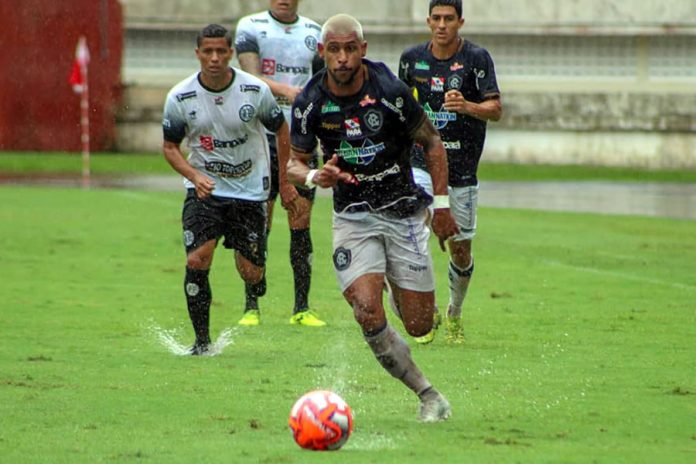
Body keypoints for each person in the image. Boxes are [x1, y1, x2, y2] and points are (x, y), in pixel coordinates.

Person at [287, 14, 459, 422]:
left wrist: (443, 204)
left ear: (363, 50)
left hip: (402, 211)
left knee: (418, 325)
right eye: (334, 50)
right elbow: (293, 164)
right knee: (366, 308)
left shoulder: (390, 91)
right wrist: (316, 174)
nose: (343, 58)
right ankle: (429, 395)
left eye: (350, 49)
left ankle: (400, 290)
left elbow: (432, 140)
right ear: (322, 52)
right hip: (353, 216)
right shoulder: (309, 102)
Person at [162, 24, 296, 355]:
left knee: (251, 273)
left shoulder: (254, 91)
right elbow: (169, 147)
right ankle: (202, 343)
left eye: (221, 51)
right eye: (207, 51)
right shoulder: (180, 96)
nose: (214, 58)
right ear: (197, 54)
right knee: (197, 259)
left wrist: (284, 183)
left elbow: (281, 131)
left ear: (230, 53)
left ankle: (257, 269)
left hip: (250, 191)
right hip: (205, 192)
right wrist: (194, 176)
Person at [398, 0, 502, 344]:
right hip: (420, 161)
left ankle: (454, 312)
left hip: (462, 168)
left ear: (460, 22)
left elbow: (496, 109)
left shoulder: (476, 59)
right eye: (437, 18)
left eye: (449, 19)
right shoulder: (411, 59)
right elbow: (400, 111)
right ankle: (421, 312)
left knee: (461, 249)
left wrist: (467, 106)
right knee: (416, 228)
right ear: (428, 21)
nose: (442, 24)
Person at [233, 0, 326, 327]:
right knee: (260, 220)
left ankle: (301, 308)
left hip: (301, 140)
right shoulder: (250, 26)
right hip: (260, 138)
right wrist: (288, 90)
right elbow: (248, 76)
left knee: (300, 220)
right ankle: (251, 306)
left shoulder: (315, 32)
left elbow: (323, 85)